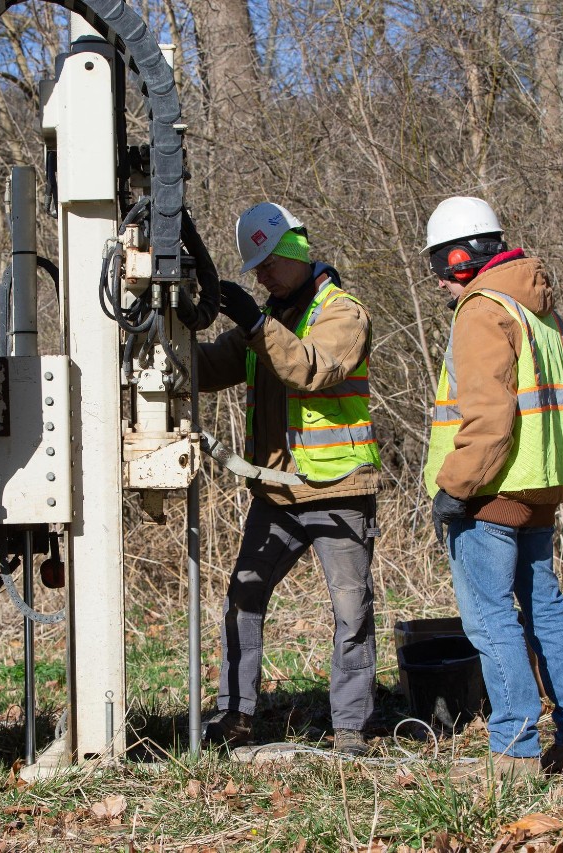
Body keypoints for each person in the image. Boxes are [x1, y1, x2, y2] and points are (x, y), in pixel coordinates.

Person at [420, 196, 563, 778]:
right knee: (545, 610)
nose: (440, 281)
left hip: (489, 489)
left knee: (490, 619)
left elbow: (490, 420)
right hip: (541, 485)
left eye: (439, 266)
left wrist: (455, 486)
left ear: (461, 258)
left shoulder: (482, 311)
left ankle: (514, 751)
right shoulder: (540, 311)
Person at [198, 202, 381, 756]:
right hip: (277, 491)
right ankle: (235, 716)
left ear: (298, 252)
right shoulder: (266, 326)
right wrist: (165, 333)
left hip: (337, 489)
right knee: (243, 599)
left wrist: (255, 324)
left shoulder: (342, 313)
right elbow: (207, 370)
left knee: (351, 610)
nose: (262, 275)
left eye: (270, 261)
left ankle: (351, 728)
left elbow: (313, 368)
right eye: (256, 266)